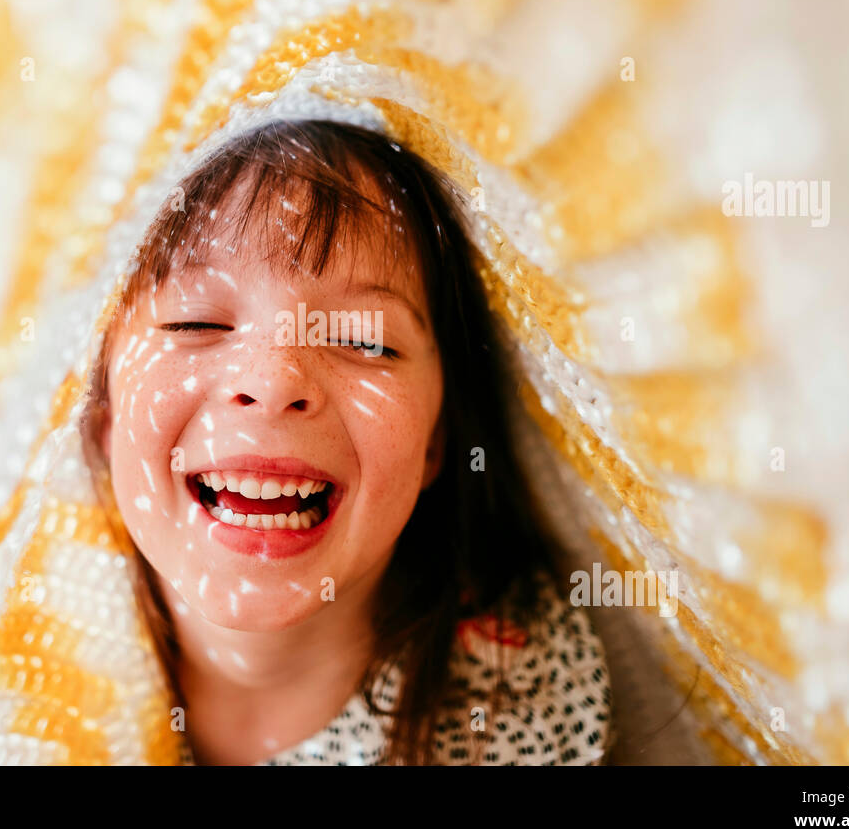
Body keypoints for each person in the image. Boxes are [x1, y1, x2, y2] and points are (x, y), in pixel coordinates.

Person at [80, 118, 611, 765]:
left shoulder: (523, 696)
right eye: (197, 321)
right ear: (103, 419)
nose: (274, 380)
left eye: (365, 339)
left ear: (434, 444)